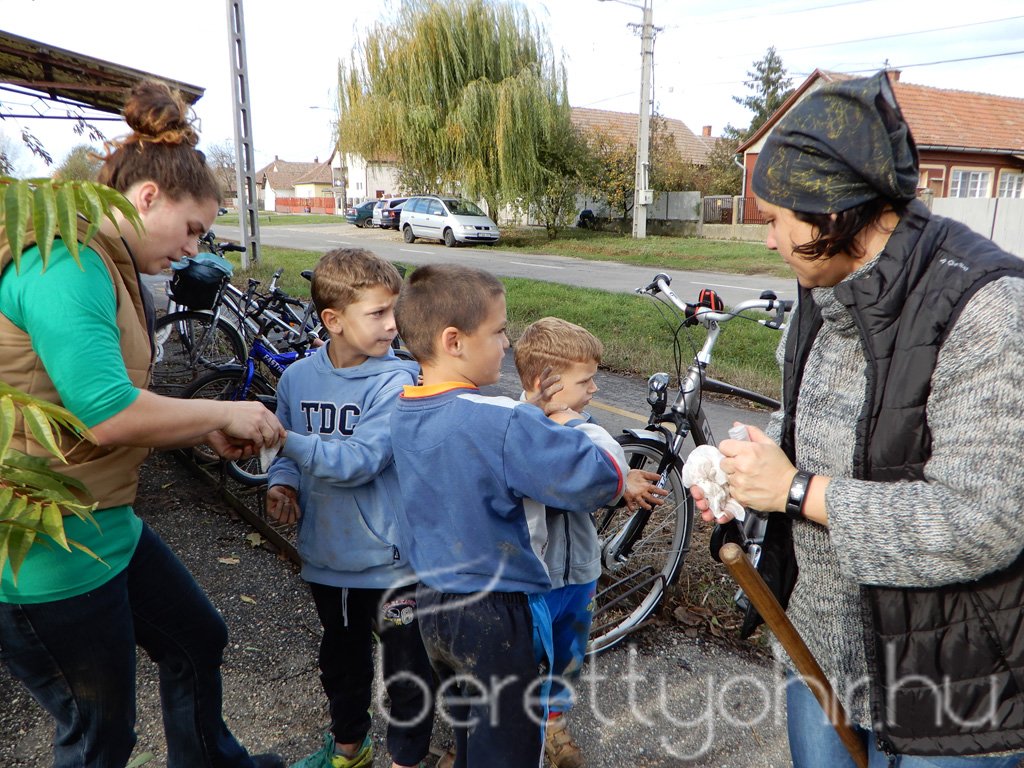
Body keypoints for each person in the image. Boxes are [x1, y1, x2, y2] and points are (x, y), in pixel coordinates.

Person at [692, 71, 1024, 767]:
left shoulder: (988, 308)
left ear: (834, 213)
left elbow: (986, 522)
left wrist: (794, 490)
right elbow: (807, 422)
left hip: (950, 687)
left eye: (778, 218)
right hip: (818, 649)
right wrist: (744, 474)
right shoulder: (824, 285)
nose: (769, 240)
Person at [0, 81, 286, 767]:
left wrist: (193, 427)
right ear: (148, 196)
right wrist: (224, 409)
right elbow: (106, 414)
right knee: (100, 736)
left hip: (105, 519)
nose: (194, 251)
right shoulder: (66, 264)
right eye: (192, 230)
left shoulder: (107, 259)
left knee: (196, 638)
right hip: (51, 549)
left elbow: (106, 401)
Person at [388, 264, 625, 768]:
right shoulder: (498, 419)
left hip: (432, 603)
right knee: (512, 747)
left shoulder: (404, 409)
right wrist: (568, 427)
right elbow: (599, 476)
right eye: (498, 331)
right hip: (497, 613)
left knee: (472, 727)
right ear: (454, 341)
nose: (506, 343)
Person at [264, 248, 434, 768]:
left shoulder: (397, 381)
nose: (392, 326)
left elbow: (359, 461)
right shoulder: (296, 380)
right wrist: (282, 484)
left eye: (394, 311)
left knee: (408, 669)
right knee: (341, 661)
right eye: (378, 314)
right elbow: (285, 456)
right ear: (332, 321)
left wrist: (281, 439)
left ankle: (407, 757)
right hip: (328, 556)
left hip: (391, 564)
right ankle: (349, 748)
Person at [513, 317, 665, 768]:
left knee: (567, 657)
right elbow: (593, 465)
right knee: (514, 665)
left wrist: (618, 482)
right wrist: (616, 478)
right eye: (586, 380)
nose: (595, 389)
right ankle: (492, 738)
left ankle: (553, 723)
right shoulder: (519, 432)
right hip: (531, 583)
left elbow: (597, 474)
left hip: (578, 571)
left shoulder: (577, 427)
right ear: (549, 385)